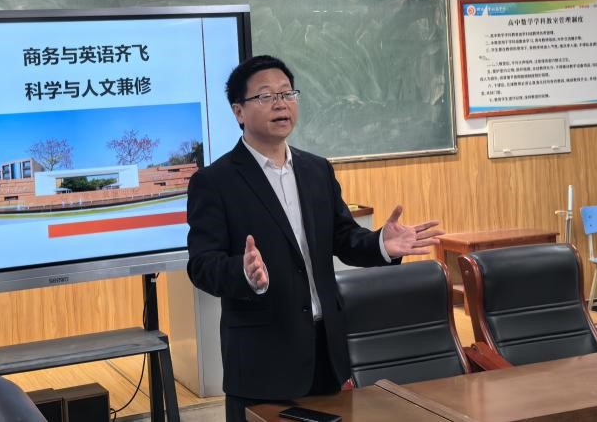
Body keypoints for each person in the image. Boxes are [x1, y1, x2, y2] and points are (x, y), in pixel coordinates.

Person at [186, 55, 444, 421]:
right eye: (265, 96)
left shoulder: (316, 169)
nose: (280, 104)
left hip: (325, 352)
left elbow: (343, 237)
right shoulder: (215, 182)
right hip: (262, 361)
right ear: (238, 111)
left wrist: (381, 245)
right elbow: (201, 264)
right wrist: (242, 273)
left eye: (287, 93)